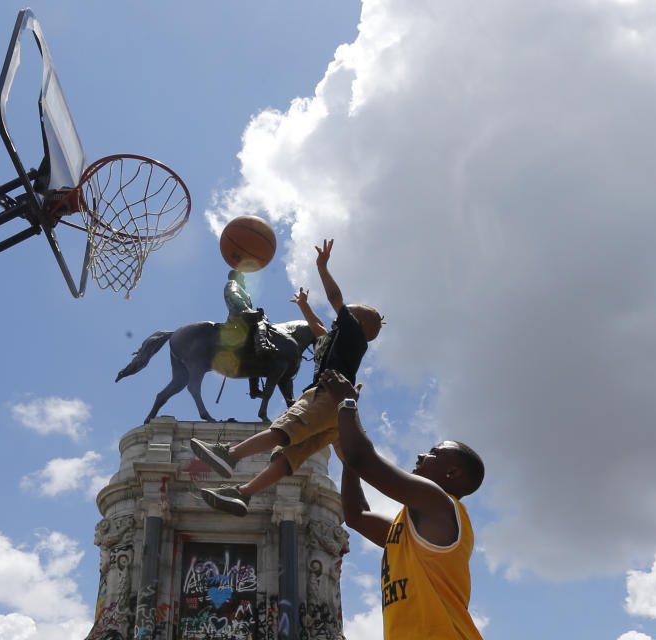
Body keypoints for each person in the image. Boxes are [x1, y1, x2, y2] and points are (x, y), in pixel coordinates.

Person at [192, 239, 384, 516]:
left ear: (359, 325)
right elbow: (318, 328)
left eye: (348, 316)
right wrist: (304, 306)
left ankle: (229, 455)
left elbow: (335, 298)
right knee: (288, 456)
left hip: (326, 397)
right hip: (337, 413)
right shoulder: (336, 343)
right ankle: (243, 494)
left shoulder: (353, 336)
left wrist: (322, 268)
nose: (339, 318)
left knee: (284, 428)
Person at [322, 368, 485, 640]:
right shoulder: (411, 526)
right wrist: (348, 460)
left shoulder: (439, 504)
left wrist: (346, 403)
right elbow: (356, 515)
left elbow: (365, 459)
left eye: (434, 453)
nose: (421, 455)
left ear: (452, 473)